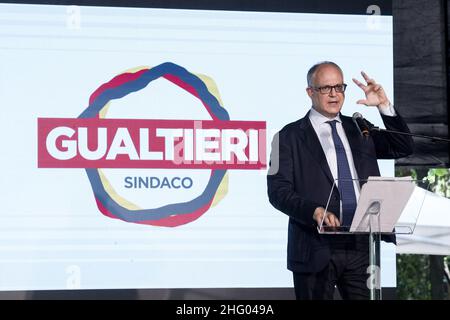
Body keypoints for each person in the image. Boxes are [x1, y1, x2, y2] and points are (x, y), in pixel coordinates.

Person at [267, 61, 414, 300]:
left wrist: (384, 105)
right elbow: (278, 192)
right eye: (326, 88)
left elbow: (403, 146)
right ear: (310, 92)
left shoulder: (359, 128)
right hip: (315, 245)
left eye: (339, 87)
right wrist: (314, 211)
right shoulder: (287, 137)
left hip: (361, 244)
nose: (334, 94)